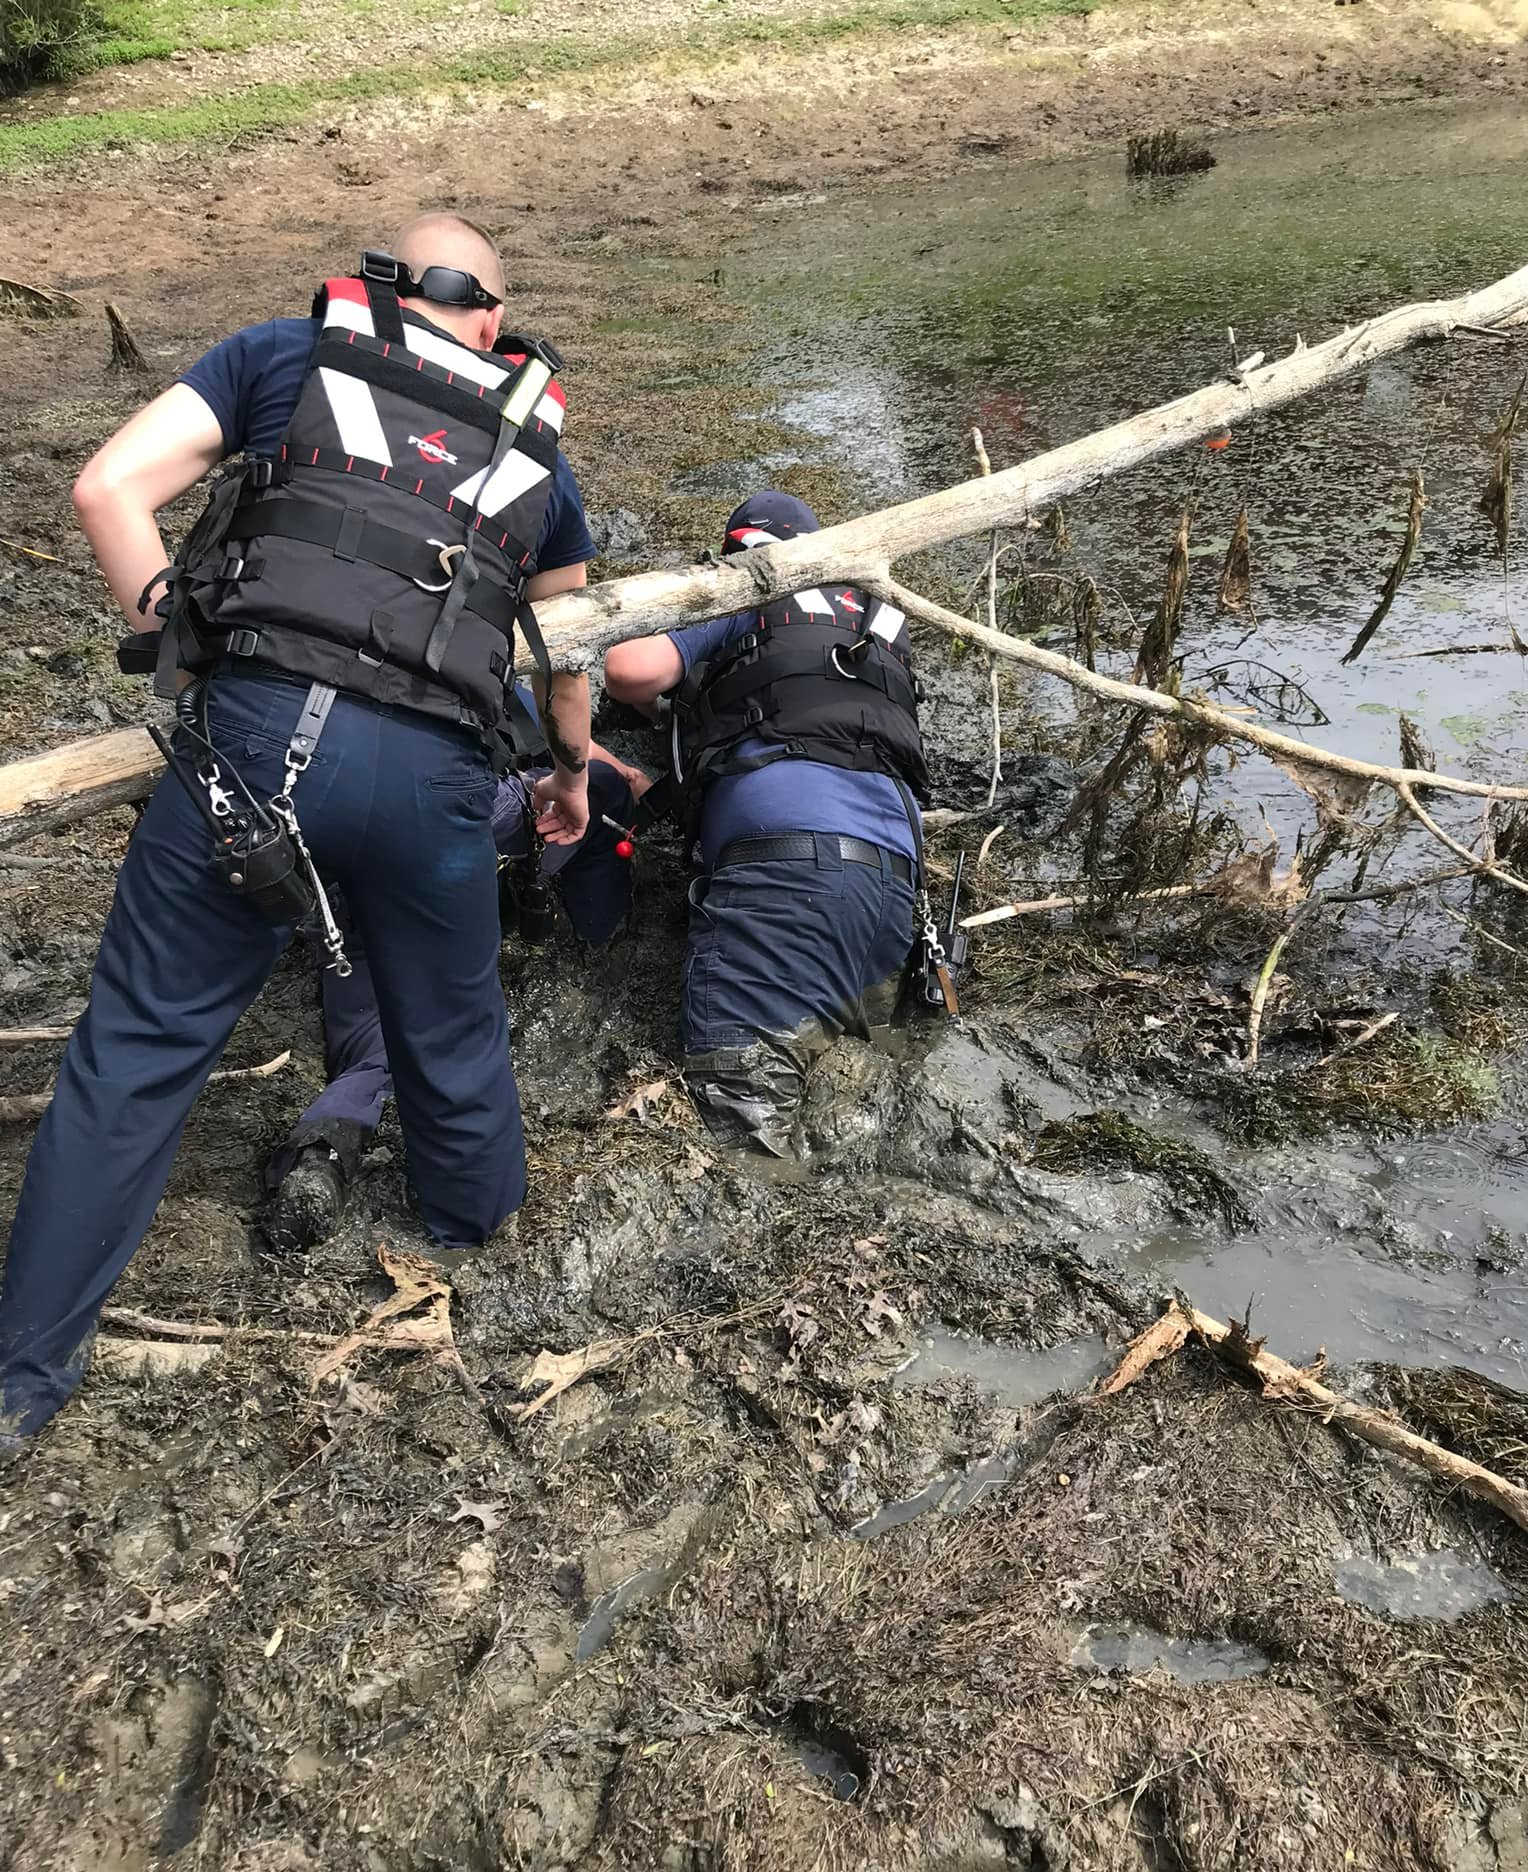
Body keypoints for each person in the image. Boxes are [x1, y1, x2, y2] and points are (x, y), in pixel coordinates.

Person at [0, 213, 594, 1452]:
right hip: (433, 774)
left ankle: (21, 1384)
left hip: (251, 742)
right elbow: (573, 649)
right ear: (491, 320)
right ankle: (468, 1227)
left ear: (385, 288)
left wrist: (175, 621)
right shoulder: (537, 444)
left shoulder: (282, 354)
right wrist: (573, 772)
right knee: (452, 1020)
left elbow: (106, 485)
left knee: (138, 1047)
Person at [603, 491, 928, 1153]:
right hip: (895, 895)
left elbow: (628, 669)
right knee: (862, 1127)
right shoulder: (881, 621)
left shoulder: (751, 583)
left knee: (745, 1141)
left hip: (787, 882)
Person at [267, 710, 646, 1249]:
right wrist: (618, 774)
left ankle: (324, 1148)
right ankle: (595, 931)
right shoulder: (465, 647)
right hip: (449, 828)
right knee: (599, 790)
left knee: (374, 1042)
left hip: (321, 853)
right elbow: (566, 736)